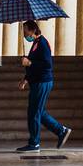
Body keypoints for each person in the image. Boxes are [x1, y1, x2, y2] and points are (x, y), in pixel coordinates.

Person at [16, 20, 72, 153]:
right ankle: (61, 131)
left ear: (32, 30)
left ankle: (34, 143)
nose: (24, 35)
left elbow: (47, 65)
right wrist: (26, 79)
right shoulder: (35, 44)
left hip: (43, 82)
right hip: (37, 82)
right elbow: (34, 64)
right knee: (37, 112)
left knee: (35, 112)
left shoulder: (42, 43)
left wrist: (29, 63)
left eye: (25, 31)